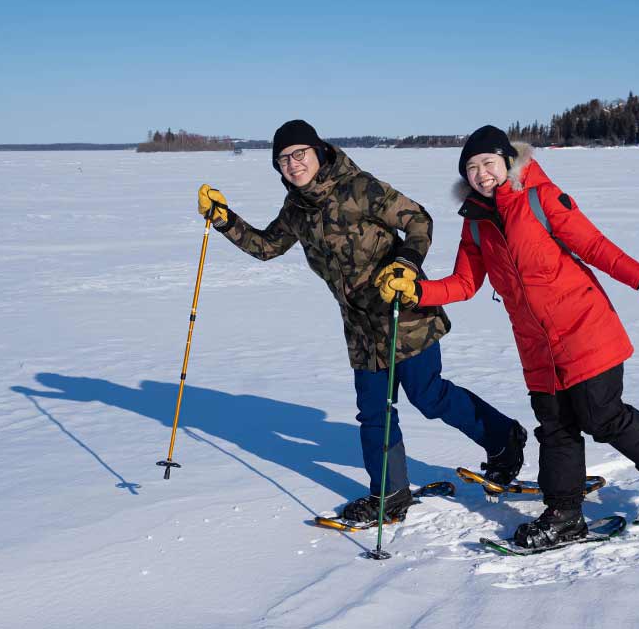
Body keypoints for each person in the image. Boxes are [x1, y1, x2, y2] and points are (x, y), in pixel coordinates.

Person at [377, 125, 639, 548]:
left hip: (585, 329)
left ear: (507, 162)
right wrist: (418, 290)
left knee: (601, 415)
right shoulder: (476, 223)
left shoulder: (541, 199)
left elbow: (595, 246)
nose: (481, 173)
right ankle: (564, 514)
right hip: (537, 347)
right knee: (555, 427)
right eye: (471, 168)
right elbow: (464, 283)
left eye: (488, 163)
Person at [196, 120, 526, 523]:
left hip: (403, 311)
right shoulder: (296, 210)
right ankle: (391, 494)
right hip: (360, 327)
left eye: (300, 153)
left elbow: (419, 220)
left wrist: (406, 263)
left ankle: (504, 437)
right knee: (374, 410)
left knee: (429, 395)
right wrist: (225, 219)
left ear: (318, 152)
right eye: (283, 159)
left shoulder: (359, 187)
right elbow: (267, 247)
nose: (293, 164)